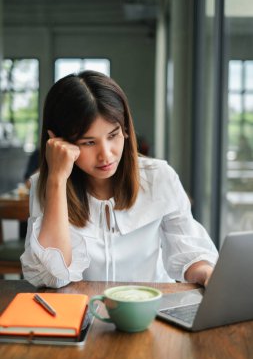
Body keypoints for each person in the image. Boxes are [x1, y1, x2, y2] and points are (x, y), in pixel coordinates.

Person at [21, 70, 218, 288]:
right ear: (58, 141)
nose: (106, 154)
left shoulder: (159, 176)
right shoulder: (47, 185)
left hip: (151, 310)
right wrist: (57, 180)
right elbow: (52, 277)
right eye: (88, 142)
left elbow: (190, 251)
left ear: (124, 129)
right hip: (84, 313)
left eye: (113, 135)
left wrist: (206, 272)